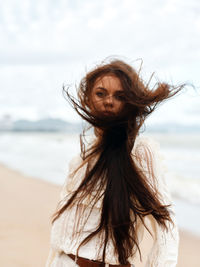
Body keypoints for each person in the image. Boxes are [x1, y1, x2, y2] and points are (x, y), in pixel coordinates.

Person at [45, 58, 185, 267]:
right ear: (87, 99)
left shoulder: (139, 151)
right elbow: (61, 238)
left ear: (131, 103)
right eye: (101, 93)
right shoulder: (82, 160)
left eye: (120, 96)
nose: (109, 101)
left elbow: (166, 227)